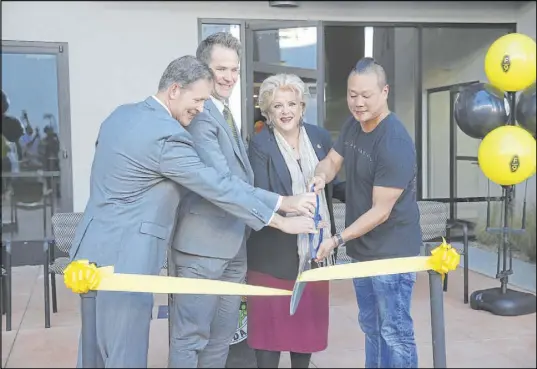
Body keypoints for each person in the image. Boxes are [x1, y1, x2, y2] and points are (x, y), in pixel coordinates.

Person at [69, 55, 319, 369]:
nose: (201, 108)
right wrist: (280, 213)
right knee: (124, 353)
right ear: (174, 89)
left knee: (91, 352)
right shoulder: (166, 136)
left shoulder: (122, 115)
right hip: (126, 257)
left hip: (91, 250)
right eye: (198, 99)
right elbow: (215, 184)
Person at [168, 33, 320, 369]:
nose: (229, 76)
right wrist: (282, 207)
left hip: (235, 246)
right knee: (191, 339)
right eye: (220, 68)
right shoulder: (199, 116)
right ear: (200, 70)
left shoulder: (225, 113)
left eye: (234, 69)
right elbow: (223, 184)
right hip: (202, 252)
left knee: (221, 338)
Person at [311, 57, 422, 368]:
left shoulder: (394, 141)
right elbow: (333, 161)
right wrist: (321, 175)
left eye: (366, 95)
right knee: (372, 329)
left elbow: (380, 212)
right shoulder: (353, 125)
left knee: (395, 332)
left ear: (384, 92)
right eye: (351, 94)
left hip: (392, 254)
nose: (357, 103)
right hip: (363, 252)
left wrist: (337, 239)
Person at [246, 74, 346, 368]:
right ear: (268, 110)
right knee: (269, 343)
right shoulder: (260, 144)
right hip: (272, 259)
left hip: (314, 255)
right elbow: (259, 197)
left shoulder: (320, 138)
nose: (286, 110)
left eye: (292, 103)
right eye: (278, 105)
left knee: (305, 339)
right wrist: (292, 211)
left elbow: (335, 185)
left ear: (302, 107)